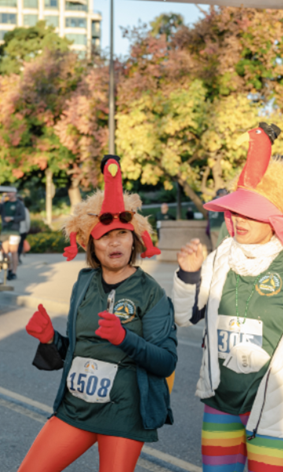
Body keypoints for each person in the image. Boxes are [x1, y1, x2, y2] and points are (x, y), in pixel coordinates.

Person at [171, 124, 283, 472]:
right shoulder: (221, 258)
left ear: (276, 218)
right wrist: (188, 276)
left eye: (250, 212)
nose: (238, 219)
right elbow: (185, 316)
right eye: (236, 210)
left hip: (273, 411)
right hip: (221, 404)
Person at [19, 156, 172, 472]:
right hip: (76, 408)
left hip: (124, 412)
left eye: (122, 234)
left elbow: (166, 362)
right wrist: (50, 339)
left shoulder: (151, 291)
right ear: (91, 243)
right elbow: (76, 352)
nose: (114, 242)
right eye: (104, 236)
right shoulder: (83, 282)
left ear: (134, 239)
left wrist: (125, 338)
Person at [0, 192, 26, 280]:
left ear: (15, 193)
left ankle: (14, 272)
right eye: (8, 192)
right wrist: (0, 203)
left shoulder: (19, 204)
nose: (9, 194)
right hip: (5, 231)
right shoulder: (4, 204)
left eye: (11, 192)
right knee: (4, 252)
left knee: (13, 251)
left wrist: (12, 218)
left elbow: (23, 217)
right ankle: (9, 268)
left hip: (14, 231)